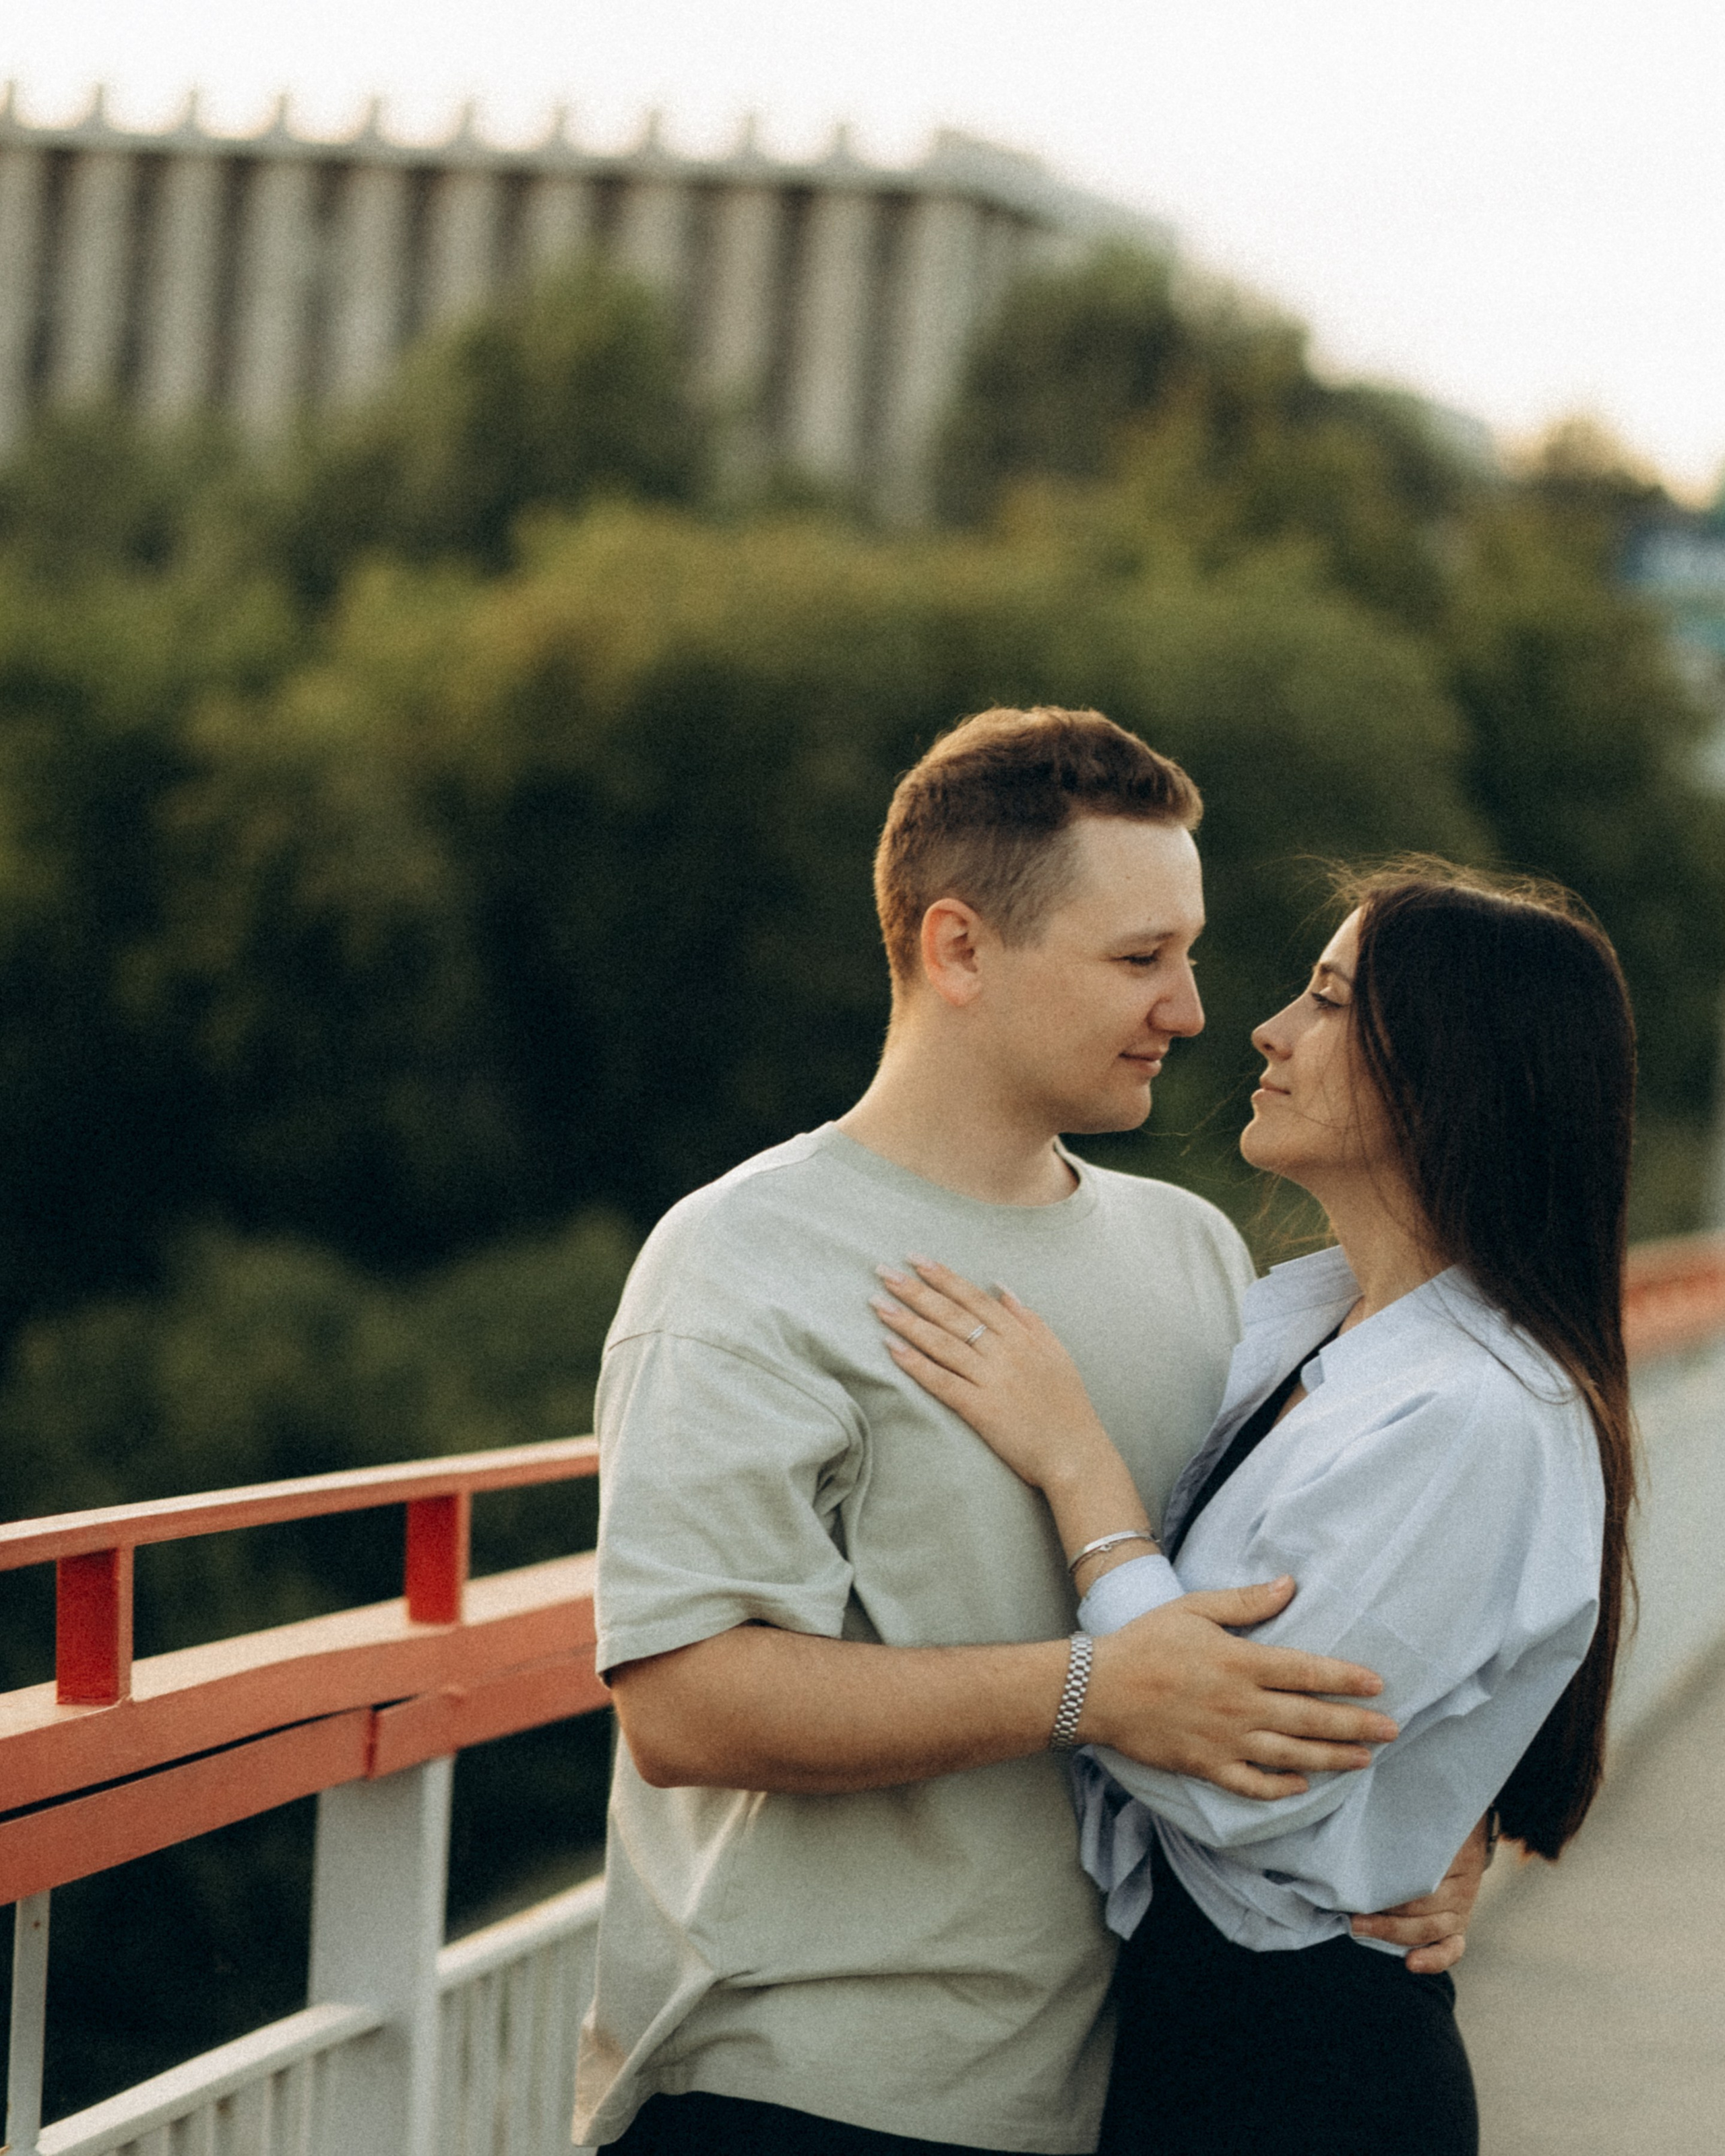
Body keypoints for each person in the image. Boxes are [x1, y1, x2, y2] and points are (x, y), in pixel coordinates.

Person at [575, 709, 1487, 2156]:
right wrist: (1089, 1690)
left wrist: (1438, 1828)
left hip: (1117, 2089)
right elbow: (685, 1705)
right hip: (804, 2095)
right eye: (1139, 959)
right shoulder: (741, 1259)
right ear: (956, 950)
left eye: (1186, 953)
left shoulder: (1194, 1254)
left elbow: (1305, 1612)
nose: (1189, 1008)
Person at [875, 864, 1635, 2156]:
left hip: (1298, 2074)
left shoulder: (1477, 1412)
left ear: (1448, 1074)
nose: (1269, 1029)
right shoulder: (1301, 1316)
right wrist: (1431, 1821)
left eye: (1330, 1000)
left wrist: (1079, 1466)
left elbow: (1252, 1783)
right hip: (1190, 2026)